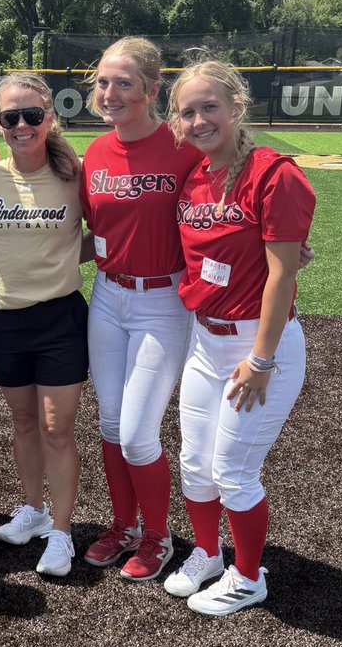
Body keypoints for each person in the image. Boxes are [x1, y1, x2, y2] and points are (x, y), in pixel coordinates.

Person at [163, 53, 316, 615]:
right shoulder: (195, 175)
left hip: (257, 345)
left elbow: (282, 274)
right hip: (205, 340)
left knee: (233, 470)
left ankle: (249, 577)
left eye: (210, 108)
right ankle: (207, 551)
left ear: (236, 108)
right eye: (188, 112)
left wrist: (262, 359)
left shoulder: (274, 173)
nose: (199, 120)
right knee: (194, 463)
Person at [80, 38, 203, 582]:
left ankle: (158, 535)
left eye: (123, 83)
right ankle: (124, 524)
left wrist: (279, 244)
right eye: (103, 83)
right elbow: (91, 231)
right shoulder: (96, 153)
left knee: (136, 433)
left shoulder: (183, 147)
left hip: (163, 300)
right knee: (109, 423)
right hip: (107, 296)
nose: (109, 94)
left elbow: (227, 200)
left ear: (153, 90)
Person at [0, 73, 89, 577]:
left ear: (50, 116)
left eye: (32, 115)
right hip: (4, 319)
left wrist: (67, 256)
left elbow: (117, 229)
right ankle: (34, 510)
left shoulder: (75, 174)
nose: (22, 125)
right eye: (11, 117)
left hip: (58, 317)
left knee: (55, 428)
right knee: (23, 424)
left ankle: (63, 534)